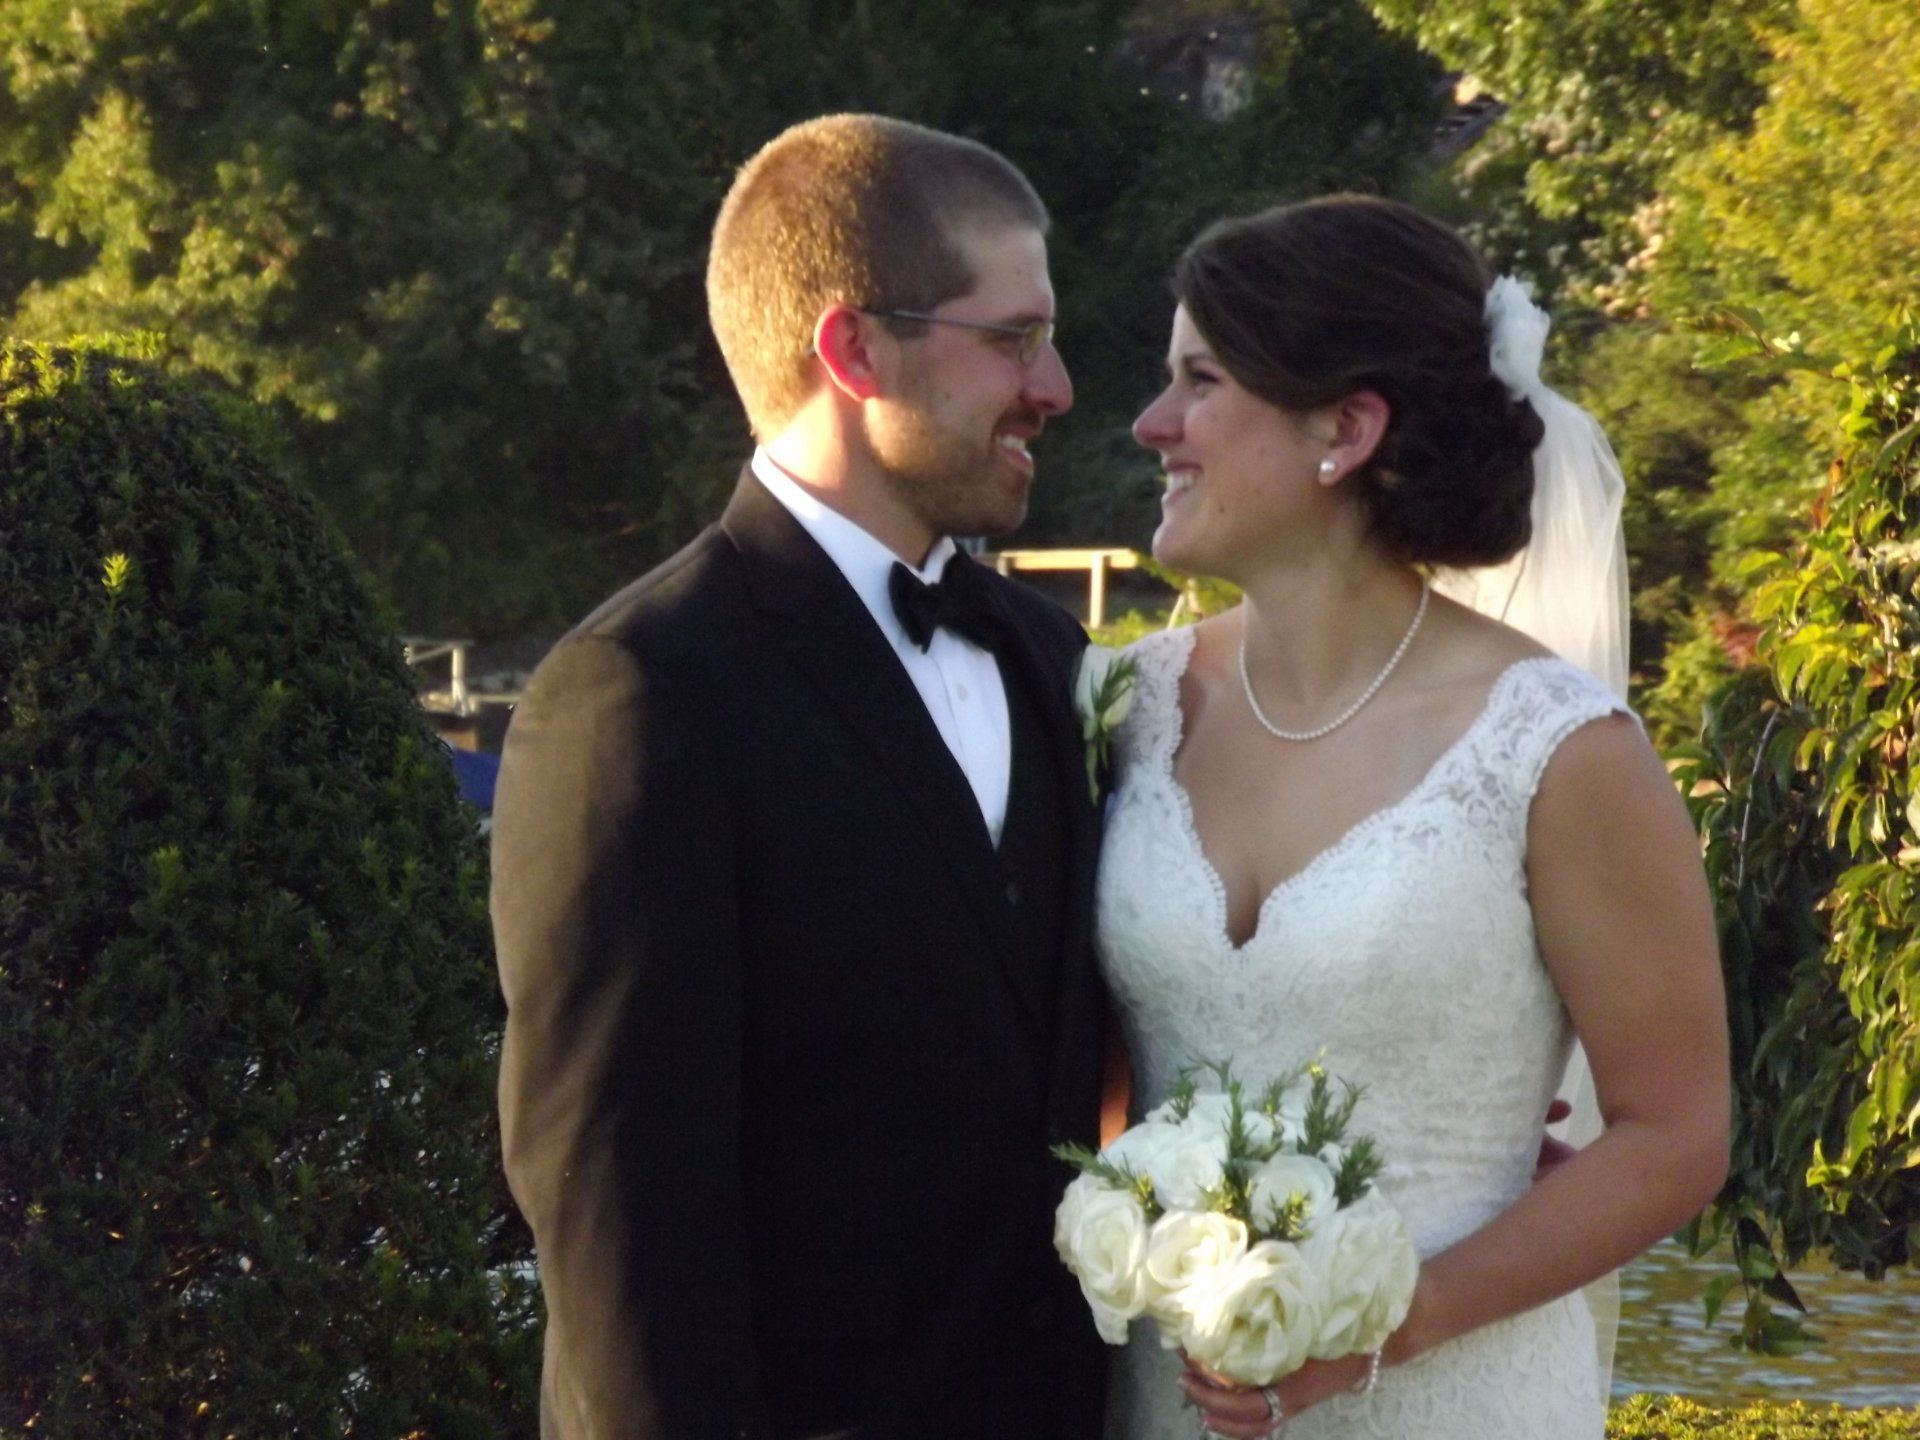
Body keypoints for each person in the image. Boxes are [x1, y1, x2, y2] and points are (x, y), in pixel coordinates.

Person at [489, 114, 1110, 1440]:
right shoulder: (638, 696)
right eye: (1011, 337)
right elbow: (615, 1208)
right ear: (852, 347)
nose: (1053, 385)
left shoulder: (1056, 661)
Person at [1093, 196, 1729, 1439]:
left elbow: (1675, 1133)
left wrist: (1390, 1320)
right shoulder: (1125, 708)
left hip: (1455, 1394)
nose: (1151, 424)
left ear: (1345, 427)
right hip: (1165, 1403)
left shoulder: (1557, 750)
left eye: (1200, 380)